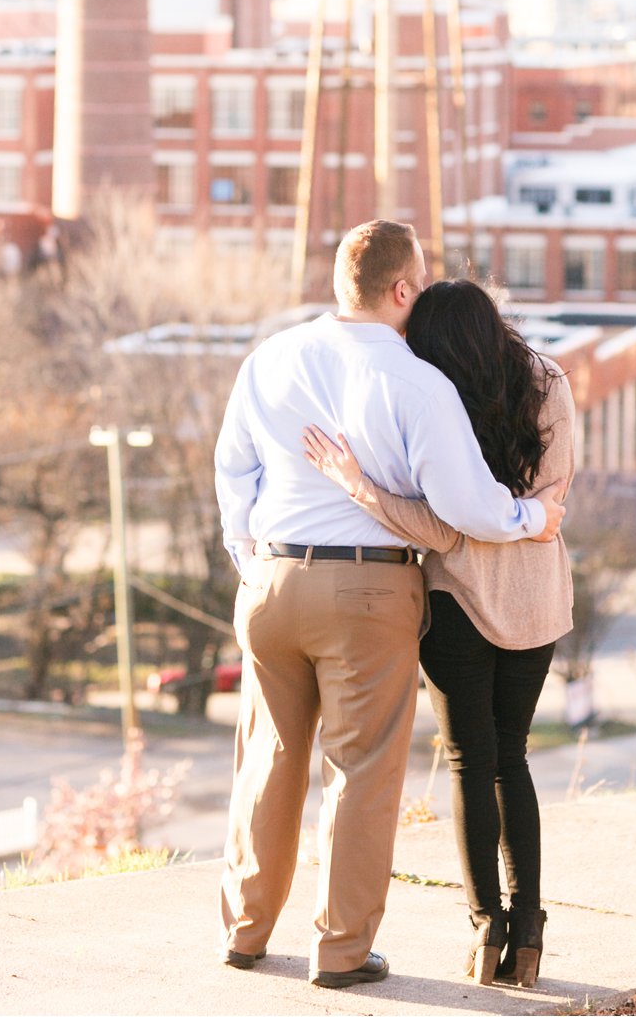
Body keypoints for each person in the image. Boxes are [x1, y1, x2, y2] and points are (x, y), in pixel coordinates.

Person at [214, 222, 566, 990]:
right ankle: (340, 952)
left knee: (269, 760)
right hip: (367, 588)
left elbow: (232, 470)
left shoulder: (270, 356)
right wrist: (529, 518)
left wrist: (250, 560)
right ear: (402, 290)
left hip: (270, 580)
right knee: (362, 770)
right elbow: (467, 505)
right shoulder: (417, 383)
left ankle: (245, 933)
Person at [303, 278, 574, 988]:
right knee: (510, 758)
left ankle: (487, 926)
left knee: (469, 762)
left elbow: (442, 527)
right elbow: (552, 499)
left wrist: (362, 489)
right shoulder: (549, 384)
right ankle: (531, 927)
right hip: (537, 596)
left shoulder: (434, 397)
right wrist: (523, 520)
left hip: (456, 599)